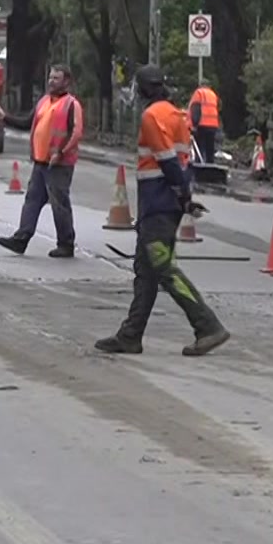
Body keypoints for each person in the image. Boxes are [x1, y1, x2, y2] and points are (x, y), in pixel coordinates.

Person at [96, 65, 231, 357]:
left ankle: (207, 325)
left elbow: (168, 161)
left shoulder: (152, 117)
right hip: (164, 207)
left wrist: (183, 196)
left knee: (165, 270)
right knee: (146, 273)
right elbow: (184, 162)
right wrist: (184, 199)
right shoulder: (176, 114)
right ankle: (130, 335)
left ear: (143, 88)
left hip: (157, 206)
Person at [0, 65, 83, 258]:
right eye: (50, 77)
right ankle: (21, 239)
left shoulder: (71, 104)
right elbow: (28, 123)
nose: (51, 81)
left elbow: (76, 133)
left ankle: (66, 244)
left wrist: (60, 152)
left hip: (59, 164)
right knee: (32, 200)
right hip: (41, 161)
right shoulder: (44, 101)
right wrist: (6, 118)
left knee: (59, 203)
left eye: (56, 78)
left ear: (66, 81)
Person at [189, 82, 222, 164]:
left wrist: (194, 125)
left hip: (202, 124)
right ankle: (210, 168)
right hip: (213, 125)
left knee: (199, 149)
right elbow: (218, 107)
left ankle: (200, 167)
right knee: (210, 149)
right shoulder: (213, 94)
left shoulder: (198, 93)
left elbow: (195, 109)